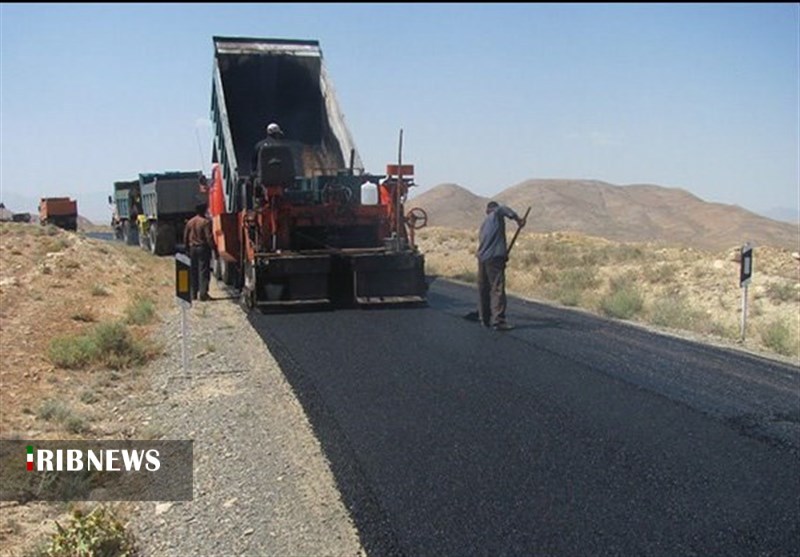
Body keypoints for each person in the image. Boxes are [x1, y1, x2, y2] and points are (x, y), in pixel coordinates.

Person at [476, 201, 526, 331]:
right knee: (497, 288)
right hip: (494, 259)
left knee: (484, 288)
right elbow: (503, 209)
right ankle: (498, 321)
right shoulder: (496, 214)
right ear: (492, 209)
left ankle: (484, 318)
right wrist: (518, 219)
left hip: (482, 258)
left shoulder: (484, 224)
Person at [183, 203, 215, 302]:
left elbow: (185, 237)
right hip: (202, 248)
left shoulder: (190, 222)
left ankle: (193, 294)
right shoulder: (205, 222)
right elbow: (208, 237)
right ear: (204, 211)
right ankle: (203, 294)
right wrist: (214, 248)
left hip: (192, 248)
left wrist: (187, 248)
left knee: (193, 271)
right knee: (203, 271)